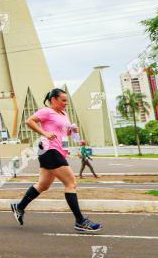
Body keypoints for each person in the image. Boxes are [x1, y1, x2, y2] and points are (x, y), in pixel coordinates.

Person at [11, 88, 102, 233]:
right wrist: (45, 133)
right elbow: (30, 121)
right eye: (63, 100)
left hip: (57, 151)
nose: (66, 103)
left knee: (43, 185)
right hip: (48, 149)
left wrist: (73, 134)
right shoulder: (47, 111)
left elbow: (64, 133)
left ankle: (19, 207)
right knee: (71, 183)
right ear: (54, 100)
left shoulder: (64, 114)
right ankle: (80, 221)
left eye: (67, 100)